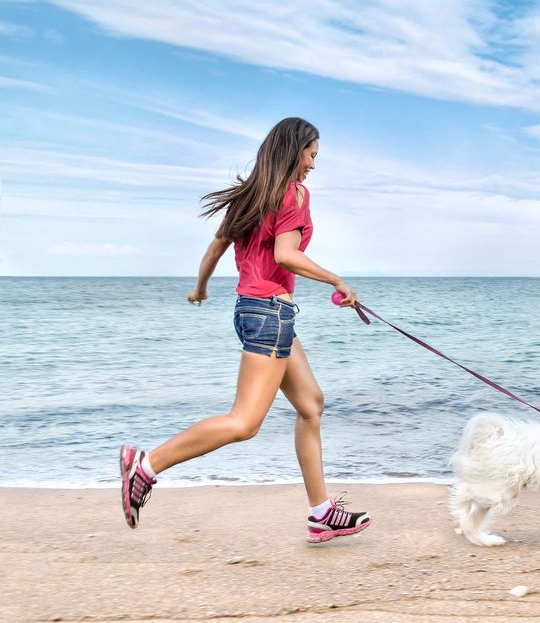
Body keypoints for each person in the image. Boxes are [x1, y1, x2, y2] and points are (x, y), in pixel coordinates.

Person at [118, 116, 372, 543]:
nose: (313, 165)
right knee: (244, 422)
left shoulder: (250, 196)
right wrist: (337, 280)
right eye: (311, 155)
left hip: (254, 309)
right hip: (270, 313)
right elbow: (287, 255)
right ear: (293, 151)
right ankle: (146, 466)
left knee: (311, 404)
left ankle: (321, 514)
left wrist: (199, 289)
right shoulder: (294, 194)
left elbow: (216, 248)